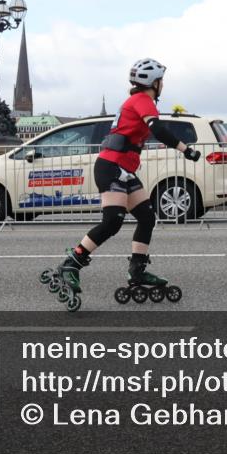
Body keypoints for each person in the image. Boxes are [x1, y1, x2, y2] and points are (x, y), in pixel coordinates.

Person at [48, 58, 200, 305]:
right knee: (112, 222)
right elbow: (159, 130)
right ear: (155, 83)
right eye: (162, 81)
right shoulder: (142, 101)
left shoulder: (138, 101)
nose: (163, 85)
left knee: (147, 217)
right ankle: (72, 262)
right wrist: (186, 150)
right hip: (111, 167)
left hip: (123, 169)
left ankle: (137, 270)